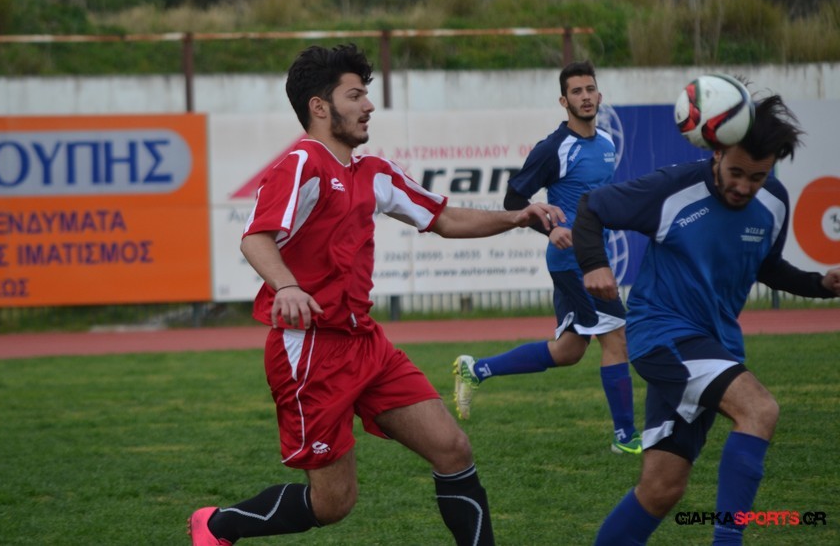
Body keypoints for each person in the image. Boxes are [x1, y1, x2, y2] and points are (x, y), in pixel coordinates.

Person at [188, 43, 565, 546]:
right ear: (320, 107)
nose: (368, 106)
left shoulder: (373, 173)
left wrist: (516, 217)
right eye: (355, 96)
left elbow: (445, 218)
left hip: (366, 343)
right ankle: (216, 526)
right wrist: (288, 286)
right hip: (311, 351)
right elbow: (256, 237)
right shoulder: (301, 164)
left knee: (452, 448)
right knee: (333, 503)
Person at [571, 93, 840, 544]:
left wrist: (820, 284)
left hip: (715, 346)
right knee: (759, 408)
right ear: (717, 152)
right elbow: (591, 208)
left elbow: (766, 267)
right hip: (662, 335)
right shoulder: (674, 189)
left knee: (660, 489)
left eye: (757, 176)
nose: (744, 186)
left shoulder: (774, 201)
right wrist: (595, 264)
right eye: (736, 172)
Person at [452, 60, 640, 455]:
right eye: (576, 91)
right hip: (573, 262)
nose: (585, 97)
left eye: (590, 89)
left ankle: (477, 368)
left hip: (595, 258)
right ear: (563, 101)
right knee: (617, 338)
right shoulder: (554, 148)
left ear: (600, 95)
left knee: (568, 351)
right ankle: (626, 437)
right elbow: (513, 200)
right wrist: (549, 229)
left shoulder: (607, 144)